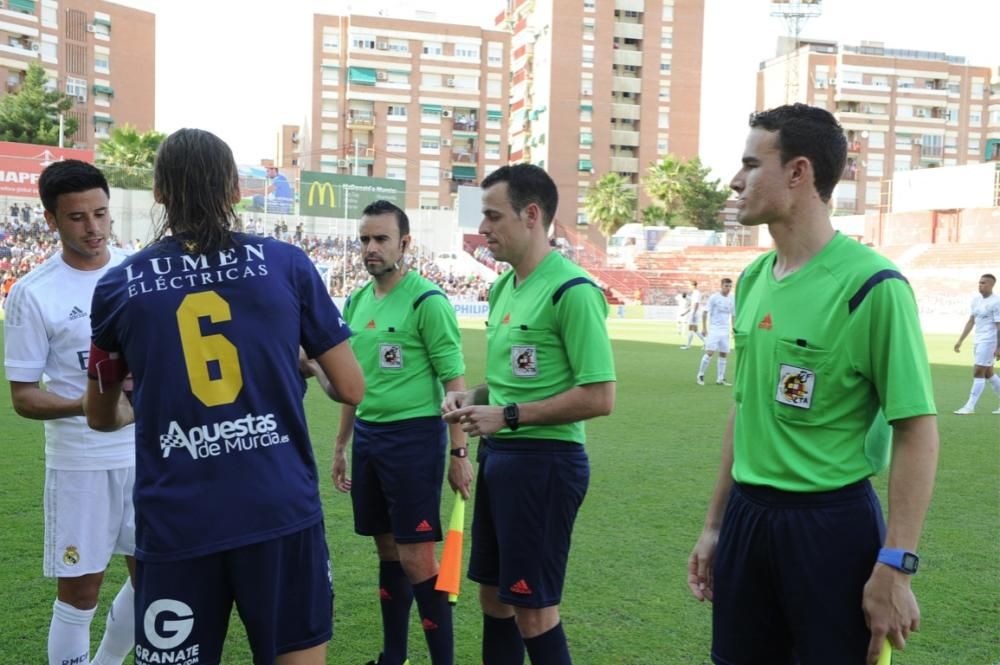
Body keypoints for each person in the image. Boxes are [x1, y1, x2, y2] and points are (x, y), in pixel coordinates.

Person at [82, 128, 365, 665]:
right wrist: (296, 364)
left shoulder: (121, 285)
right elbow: (351, 388)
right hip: (277, 507)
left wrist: (150, 399)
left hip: (179, 519)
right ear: (236, 190)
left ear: (160, 193)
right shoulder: (287, 263)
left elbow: (101, 417)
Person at [687, 104, 939, 665]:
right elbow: (745, 406)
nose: (735, 180)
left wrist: (896, 564)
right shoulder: (752, 279)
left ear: (799, 172)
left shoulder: (872, 286)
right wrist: (715, 525)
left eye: (752, 164)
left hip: (830, 527)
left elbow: (917, 431)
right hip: (749, 518)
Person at [442, 164, 616, 665]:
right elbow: (502, 386)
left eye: (493, 216)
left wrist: (509, 415)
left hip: (544, 464)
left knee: (533, 610)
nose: (484, 229)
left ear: (532, 215)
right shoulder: (503, 288)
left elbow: (600, 396)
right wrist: (471, 398)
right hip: (500, 456)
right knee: (493, 599)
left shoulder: (572, 291)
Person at [4, 160, 136, 665]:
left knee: (156, 577)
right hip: (81, 461)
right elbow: (23, 396)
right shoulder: (34, 292)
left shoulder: (134, 271)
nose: (94, 228)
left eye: (101, 214)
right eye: (78, 218)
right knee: (81, 593)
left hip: (146, 457)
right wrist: (90, 406)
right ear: (52, 220)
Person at [333, 200, 473, 665]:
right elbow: (353, 384)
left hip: (414, 440)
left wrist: (459, 454)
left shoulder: (426, 301)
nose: (370, 249)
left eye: (380, 239)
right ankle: (393, 656)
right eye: (365, 240)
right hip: (369, 437)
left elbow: (455, 383)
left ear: (404, 244)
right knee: (387, 549)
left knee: (418, 560)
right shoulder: (355, 300)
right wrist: (341, 446)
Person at [952, 273, 1000, 415]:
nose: (980, 285)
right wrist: (960, 340)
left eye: (984, 283)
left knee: (978, 371)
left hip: (989, 341)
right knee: (989, 374)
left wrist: (999, 347)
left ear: (991, 285)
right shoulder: (976, 300)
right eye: (979, 282)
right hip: (978, 340)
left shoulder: (996, 302)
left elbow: (999, 326)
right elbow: (971, 321)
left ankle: (970, 406)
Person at [697, 277, 734, 386]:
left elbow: (733, 315)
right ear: (721, 286)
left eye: (730, 286)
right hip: (714, 329)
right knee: (710, 352)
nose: (728, 288)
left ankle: (720, 378)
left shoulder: (732, 298)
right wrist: (704, 328)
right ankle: (700, 374)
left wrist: (733, 328)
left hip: (725, 330)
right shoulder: (714, 298)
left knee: (724, 353)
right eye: (726, 286)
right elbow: (705, 312)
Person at [681, 280, 704, 349]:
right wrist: (685, 313)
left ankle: (688, 345)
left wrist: (693, 314)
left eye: (689, 285)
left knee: (691, 328)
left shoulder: (696, 293)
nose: (689, 287)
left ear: (693, 285)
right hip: (694, 312)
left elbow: (696, 304)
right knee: (695, 330)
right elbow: (692, 304)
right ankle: (706, 343)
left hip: (695, 313)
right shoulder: (694, 293)